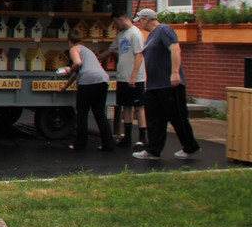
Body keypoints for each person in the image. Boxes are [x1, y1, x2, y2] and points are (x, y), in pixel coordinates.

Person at [132, 9, 200, 161]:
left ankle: (191, 147)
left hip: (168, 85)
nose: (140, 24)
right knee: (155, 119)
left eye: (140, 21)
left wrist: (175, 73)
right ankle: (153, 150)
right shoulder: (150, 36)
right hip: (154, 86)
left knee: (177, 117)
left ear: (146, 20)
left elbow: (175, 49)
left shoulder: (164, 30)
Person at [60, 30, 116, 152]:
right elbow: (78, 71)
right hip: (103, 80)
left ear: (69, 41)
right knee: (100, 113)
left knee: (82, 113)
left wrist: (68, 70)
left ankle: (80, 144)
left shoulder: (74, 49)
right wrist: (66, 86)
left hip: (88, 82)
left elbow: (77, 64)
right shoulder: (88, 51)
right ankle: (108, 144)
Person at [110, 10, 147, 149]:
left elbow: (139, 55)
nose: (115, 25)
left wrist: (133, 76)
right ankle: (127, 136)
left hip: (135, 78)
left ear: (122, 18)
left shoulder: (135, 33)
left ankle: (142, 138)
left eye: (116, 21)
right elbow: (111, 49)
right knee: (126, 106)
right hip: (123, 77)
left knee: (138, 107)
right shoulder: (121, 34)